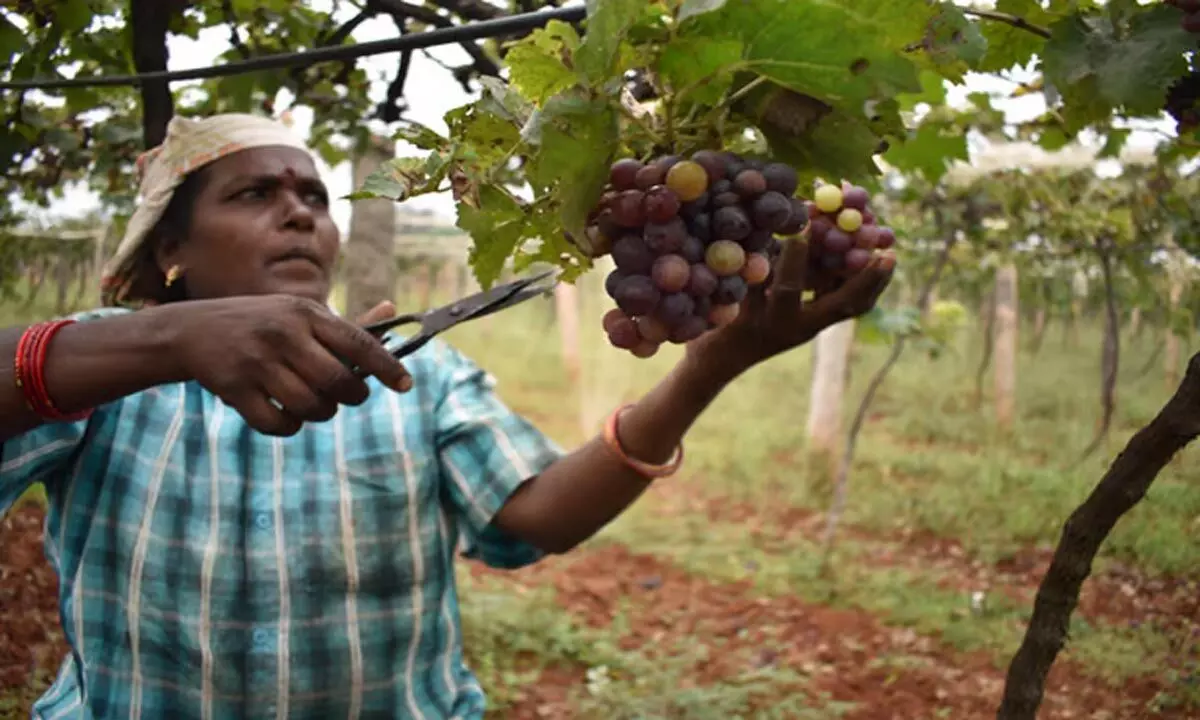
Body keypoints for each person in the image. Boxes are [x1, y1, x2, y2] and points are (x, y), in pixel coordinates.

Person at [0, 113, 895, 719]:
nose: (301, 216)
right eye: (255, 195)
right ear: (169, 249)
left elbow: (531, 517)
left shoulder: (415, 372)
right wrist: (169, 344)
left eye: (314, 197)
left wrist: (709, 370)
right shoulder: (98, 363)